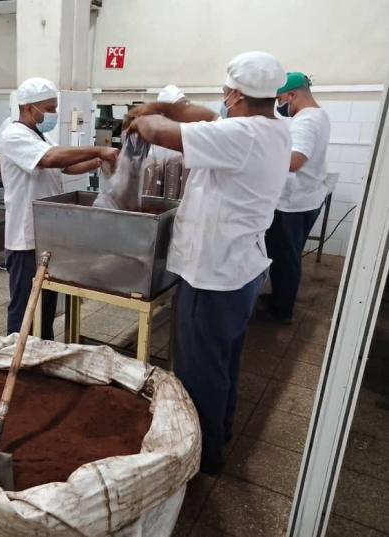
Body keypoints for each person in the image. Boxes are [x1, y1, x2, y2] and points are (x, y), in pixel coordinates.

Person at [128, 52, 290, 474]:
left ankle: (201, 456)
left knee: (199, 369)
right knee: (223, 360)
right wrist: (163, 105)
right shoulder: (272, 127)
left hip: (213, 272)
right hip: (240, 267)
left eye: (224, 93)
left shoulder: (241, 134)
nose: (221, 100)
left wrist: (142, 116)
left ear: (235, 94)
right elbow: (198, 116)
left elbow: (159, 132)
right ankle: (220, 431)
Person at [0, 77, 118, 338]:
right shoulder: (13, 134)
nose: (52, 113)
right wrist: (98, 148)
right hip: (25, 237)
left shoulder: (40, 134)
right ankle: (15, 357)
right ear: (29, 107)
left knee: (46, 305)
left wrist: (99, 160)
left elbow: (67, 166)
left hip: (45, 235)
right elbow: (51, 159)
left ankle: (43, 350)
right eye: (49, 108)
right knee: (24, 306)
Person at [259, 72, 331, 324]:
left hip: (294, 203)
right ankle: (279, 299)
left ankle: (281, 312)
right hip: (304, 198)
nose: (279, 105)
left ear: (292, 95)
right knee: (284, 256)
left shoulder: (306, 121)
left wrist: (258, 156)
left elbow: (295, 161)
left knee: (286, 258)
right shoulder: (317, 115)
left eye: (280, 99)